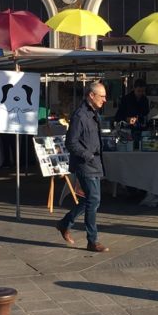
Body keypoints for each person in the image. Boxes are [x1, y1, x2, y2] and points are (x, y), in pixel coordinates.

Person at [57, 81, 109, 252]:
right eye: (102, 96)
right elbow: (71, 142)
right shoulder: (80, 115)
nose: (104, 100)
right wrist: (87, 155)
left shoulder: (93, 113)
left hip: (95, 163)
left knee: (90, 200)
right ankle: (92, 240)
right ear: (91, 95)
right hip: (85, 164)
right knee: (94, 200)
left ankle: (65, 223)